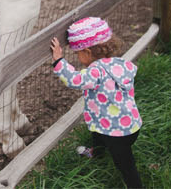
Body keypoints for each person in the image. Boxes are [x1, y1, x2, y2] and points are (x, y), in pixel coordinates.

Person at [51, 15, 144, 187]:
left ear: (87, 52)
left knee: (125, 165)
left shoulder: (95, 72)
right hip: (130, 124)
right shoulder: (120, 63)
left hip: (117, 133)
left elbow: (74, 80)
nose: (77, 56)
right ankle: (97, 153)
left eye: (77, 53)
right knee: (98, 134)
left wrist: (58, 61)